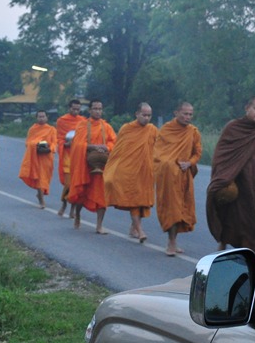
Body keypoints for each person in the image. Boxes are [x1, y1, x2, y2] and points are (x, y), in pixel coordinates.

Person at [206, 96, 255, 263]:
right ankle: (223, 244)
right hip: (238, 185)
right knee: (233, 217)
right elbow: (221, 155)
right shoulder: (233, 128)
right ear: (247, 108)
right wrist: (224, 176)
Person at [103, 103, 158, 243]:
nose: (147, 118)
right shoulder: (126, 129)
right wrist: (113, 169)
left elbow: (158, 149)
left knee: (142, 202)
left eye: (149, 115)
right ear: (137, 114)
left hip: (146, 171)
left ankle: (133, 227)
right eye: (144, 115)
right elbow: (118, 151)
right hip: (129, 171)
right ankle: (140, 231)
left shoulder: (152, 130)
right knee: (134, 201)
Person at [153, 102, 202, 256]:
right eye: (185, 113)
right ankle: (171, 242)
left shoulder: (193, 132)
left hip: (184, 176)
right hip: (168, 177)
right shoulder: (166, 130)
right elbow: (158, 154)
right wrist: (169, 165)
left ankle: (173, 242)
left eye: (190, 114)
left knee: (181, 209)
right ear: (176, 112)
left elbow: (197, 152)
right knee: (172, 208)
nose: (188, 117)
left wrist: (189, 163)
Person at [67, 99, 117, 234]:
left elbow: (114, 143)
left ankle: (99, 225)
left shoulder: (106, 127)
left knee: (102, 195)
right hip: (86, 166)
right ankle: (77, 215)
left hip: (101, 166)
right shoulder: (82, 125)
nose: (98, 111)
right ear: (90, 110)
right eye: (95, 108)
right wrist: (94, 147)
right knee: (82, 193)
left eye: (100, 109)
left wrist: (106, 147)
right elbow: (77, 144)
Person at [19, 110, 57, 208]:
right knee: (39, 178)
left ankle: (40, 194)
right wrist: (36, 145)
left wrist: (49, 148)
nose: (41, 118)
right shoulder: (32, 129)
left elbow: (54, 143)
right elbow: (28, 143)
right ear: (36, 118)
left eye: (43, 116)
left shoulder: (51, 129)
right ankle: (41, 200)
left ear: (46, 117)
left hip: (47, 158)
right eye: (39, 116)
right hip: (35, 157)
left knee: (45, 178)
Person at [55, 99, 82, 217]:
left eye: (78, 109)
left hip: (78, 157)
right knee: (68, 183)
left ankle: (72, 208)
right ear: (69, 108)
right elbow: (59, 138)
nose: (75, 111)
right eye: (73, 108)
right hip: (67, 156)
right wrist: (65, 144)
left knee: (76, 184)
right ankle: (64, 204)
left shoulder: (83, 122)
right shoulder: (62, 121)